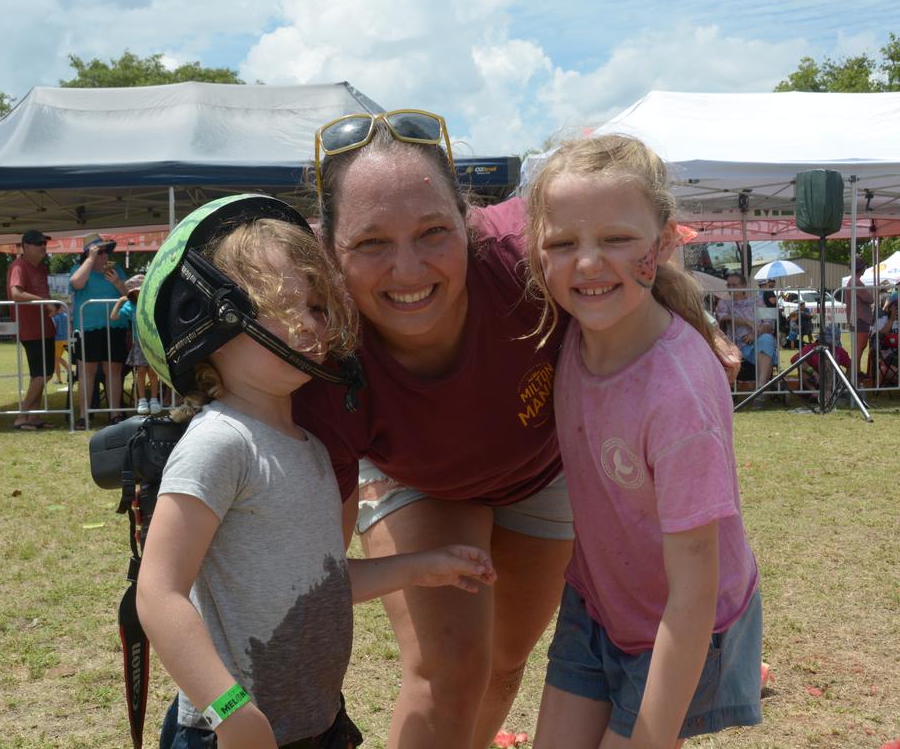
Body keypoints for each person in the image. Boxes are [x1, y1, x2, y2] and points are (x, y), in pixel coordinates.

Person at [294, 110, 741, 748]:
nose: (409, 269)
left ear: (469, 225)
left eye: (433, 232)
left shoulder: (520, 253)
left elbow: (615, 236)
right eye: (370, 243)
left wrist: (690, 316)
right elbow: (315, 578)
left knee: (503, 665)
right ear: (330, 249)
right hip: (418, 481)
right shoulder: (327, 359)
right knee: (448, 669)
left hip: (540, 472)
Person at [134, 194, 497, 749]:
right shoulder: (219, 442)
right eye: (285, 306)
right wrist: (231, 711)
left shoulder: (312, 449)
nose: (311, 325)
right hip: (229, 734)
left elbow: (316, 588)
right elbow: (158, 595)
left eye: (318, 307)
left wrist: (424, 566)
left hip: (318, 724)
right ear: (215, 320)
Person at [524, 133, 762, 748]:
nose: (587, 263)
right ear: (537, 253)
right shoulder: (568, 337)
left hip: (684, 624)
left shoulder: (678, 393)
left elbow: (694, 590)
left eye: (617, 239)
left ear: (661, 245)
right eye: (563, 243)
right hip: (596, 602)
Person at [69, 235, 128, 428]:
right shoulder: (80, 269)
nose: (104, 255)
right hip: (87, 327)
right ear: (89, 252)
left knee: (114, 370)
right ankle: (83, 416)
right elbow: (77, 283)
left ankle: (115, 414)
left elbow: (129, 294)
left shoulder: (115, 270)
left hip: (115, 326)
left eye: (105, 251)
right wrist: (90, 259)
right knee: (87, 372)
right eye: (99, 251)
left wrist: (118, 283)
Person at [7, 229, 56, 430]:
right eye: (38, 243)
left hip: (45, 326)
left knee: (42, 374)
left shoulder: (41, 268)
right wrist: (44, 301)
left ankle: (33, 417)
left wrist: (51, 303)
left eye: (44, 243)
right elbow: (16, 293)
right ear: (25, 246)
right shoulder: (19, 266)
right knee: (42, 374)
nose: (43, 247)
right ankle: (22, 416)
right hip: (30, 327)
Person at [716, 271, 777, 393]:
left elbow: (770, 324)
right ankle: (762, 391)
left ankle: (760, 388)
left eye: (734, 285)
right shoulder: (724, 303)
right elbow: (722, 318)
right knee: (767, 347)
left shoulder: (758, 300)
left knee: (767, 339)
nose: (731, 288)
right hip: (736, 345)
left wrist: (755, 333)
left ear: (744, 285)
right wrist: (746, 322)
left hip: (758, 342)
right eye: (729, 285)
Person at [109, 274, 160, 415]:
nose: (139, 293)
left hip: (153, 343)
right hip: (139, 343)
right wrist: (119, 302)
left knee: (153, 372)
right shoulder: (130, 305)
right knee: (141, 371)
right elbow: (113, 317)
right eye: (136, 291)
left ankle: (154, 399)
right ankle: (142, 400)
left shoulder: (152, 302)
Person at [845, 257, 875, 379]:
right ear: (861, 268)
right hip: (860, 318)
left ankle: (855, 371)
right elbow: (869, 299)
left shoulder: (852, 281)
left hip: (856, 317)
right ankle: (854, 373)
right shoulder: (856, 282)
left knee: (859, 346)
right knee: (859, 347)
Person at [49, 303, 70, 386]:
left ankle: (59, 379)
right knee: (58, 358)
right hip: (66, 339)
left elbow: (54, 328)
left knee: (56, 359)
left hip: (57, 340)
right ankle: (69, 372)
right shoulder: (66, 315)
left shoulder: (55, 317)